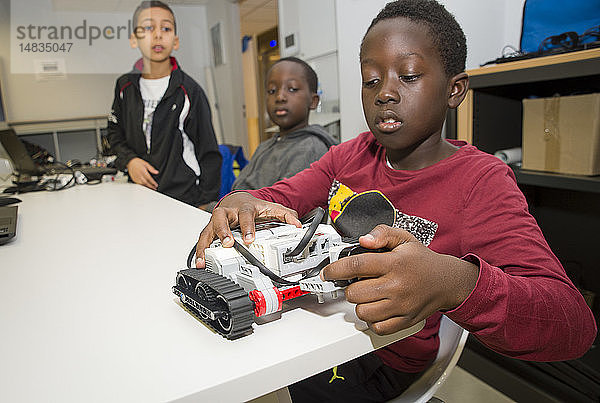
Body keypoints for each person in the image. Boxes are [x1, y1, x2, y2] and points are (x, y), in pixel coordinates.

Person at [195, 0, 597, 401]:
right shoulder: (351, 155)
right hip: (319, 330)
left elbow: (572, 324)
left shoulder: (480, 182)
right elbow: (280, 196)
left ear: (454, 90)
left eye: (407, 76)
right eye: (370, 80)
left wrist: (456, 283)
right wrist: (242, 198)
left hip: (383, 356)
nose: (385, 92)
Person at [107, 1, 221, 207]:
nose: (158, 35)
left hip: (185, 198)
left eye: (166, 28)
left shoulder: (189, 91)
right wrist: (130, 161)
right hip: (140, 194)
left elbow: (209, 152)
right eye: (148, 28)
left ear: (175, 41)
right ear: (134, 39)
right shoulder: (124, 86)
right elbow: (115, 135)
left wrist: (205, 202)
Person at [231, 57, 338, 191]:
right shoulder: (265, 146)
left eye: (292, 89)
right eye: (272, 91)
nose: (280, 97)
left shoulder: (309, 149)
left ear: (313, 101)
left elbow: (283, 204)